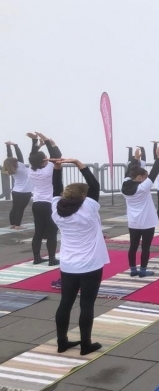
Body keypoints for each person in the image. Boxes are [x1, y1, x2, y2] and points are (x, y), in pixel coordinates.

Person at [51, 158, 109, 356]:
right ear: (84, 197)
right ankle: (86, 344)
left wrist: (57, 168)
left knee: (65, 303)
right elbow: (95, 185)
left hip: (68, 264)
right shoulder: (88, 208)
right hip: (90, 264)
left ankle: (62, 342)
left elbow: (55, 189)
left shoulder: (56, 209)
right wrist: (79, 164)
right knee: (86, 304)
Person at [122, 146, 159, 277]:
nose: (147, 178)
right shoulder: (143, 187)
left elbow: (129, 171)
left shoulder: (125, 184)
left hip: (133, 222)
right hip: (147, 222)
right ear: (140, 177)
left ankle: (133, 270)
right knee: (145, 247)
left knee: (133, 246)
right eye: (144, 177)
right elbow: (154, 172)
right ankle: (142, 270)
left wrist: (135, 159)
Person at [28, 132, 62, 266]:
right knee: (52, 232)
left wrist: (35, 143)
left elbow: (32, 157)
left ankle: (36, 258)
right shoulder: (48, 169)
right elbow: (57, 156)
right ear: (44, 161)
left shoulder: (32, 170)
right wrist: (47, 141)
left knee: (38, 231)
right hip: (49, 203)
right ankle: (52, 259)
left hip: (37, 203)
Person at [4, 141, 33, 229]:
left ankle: (12, 224)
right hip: (25, 191)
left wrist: (8, 146)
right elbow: (19, 155)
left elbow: (9, 157)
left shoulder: (11, 168)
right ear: (15, 162)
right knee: (20, 209)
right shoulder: (20, 166)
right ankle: (18, 225)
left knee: (15, 207)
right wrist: (15, 146)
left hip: (16, 191)